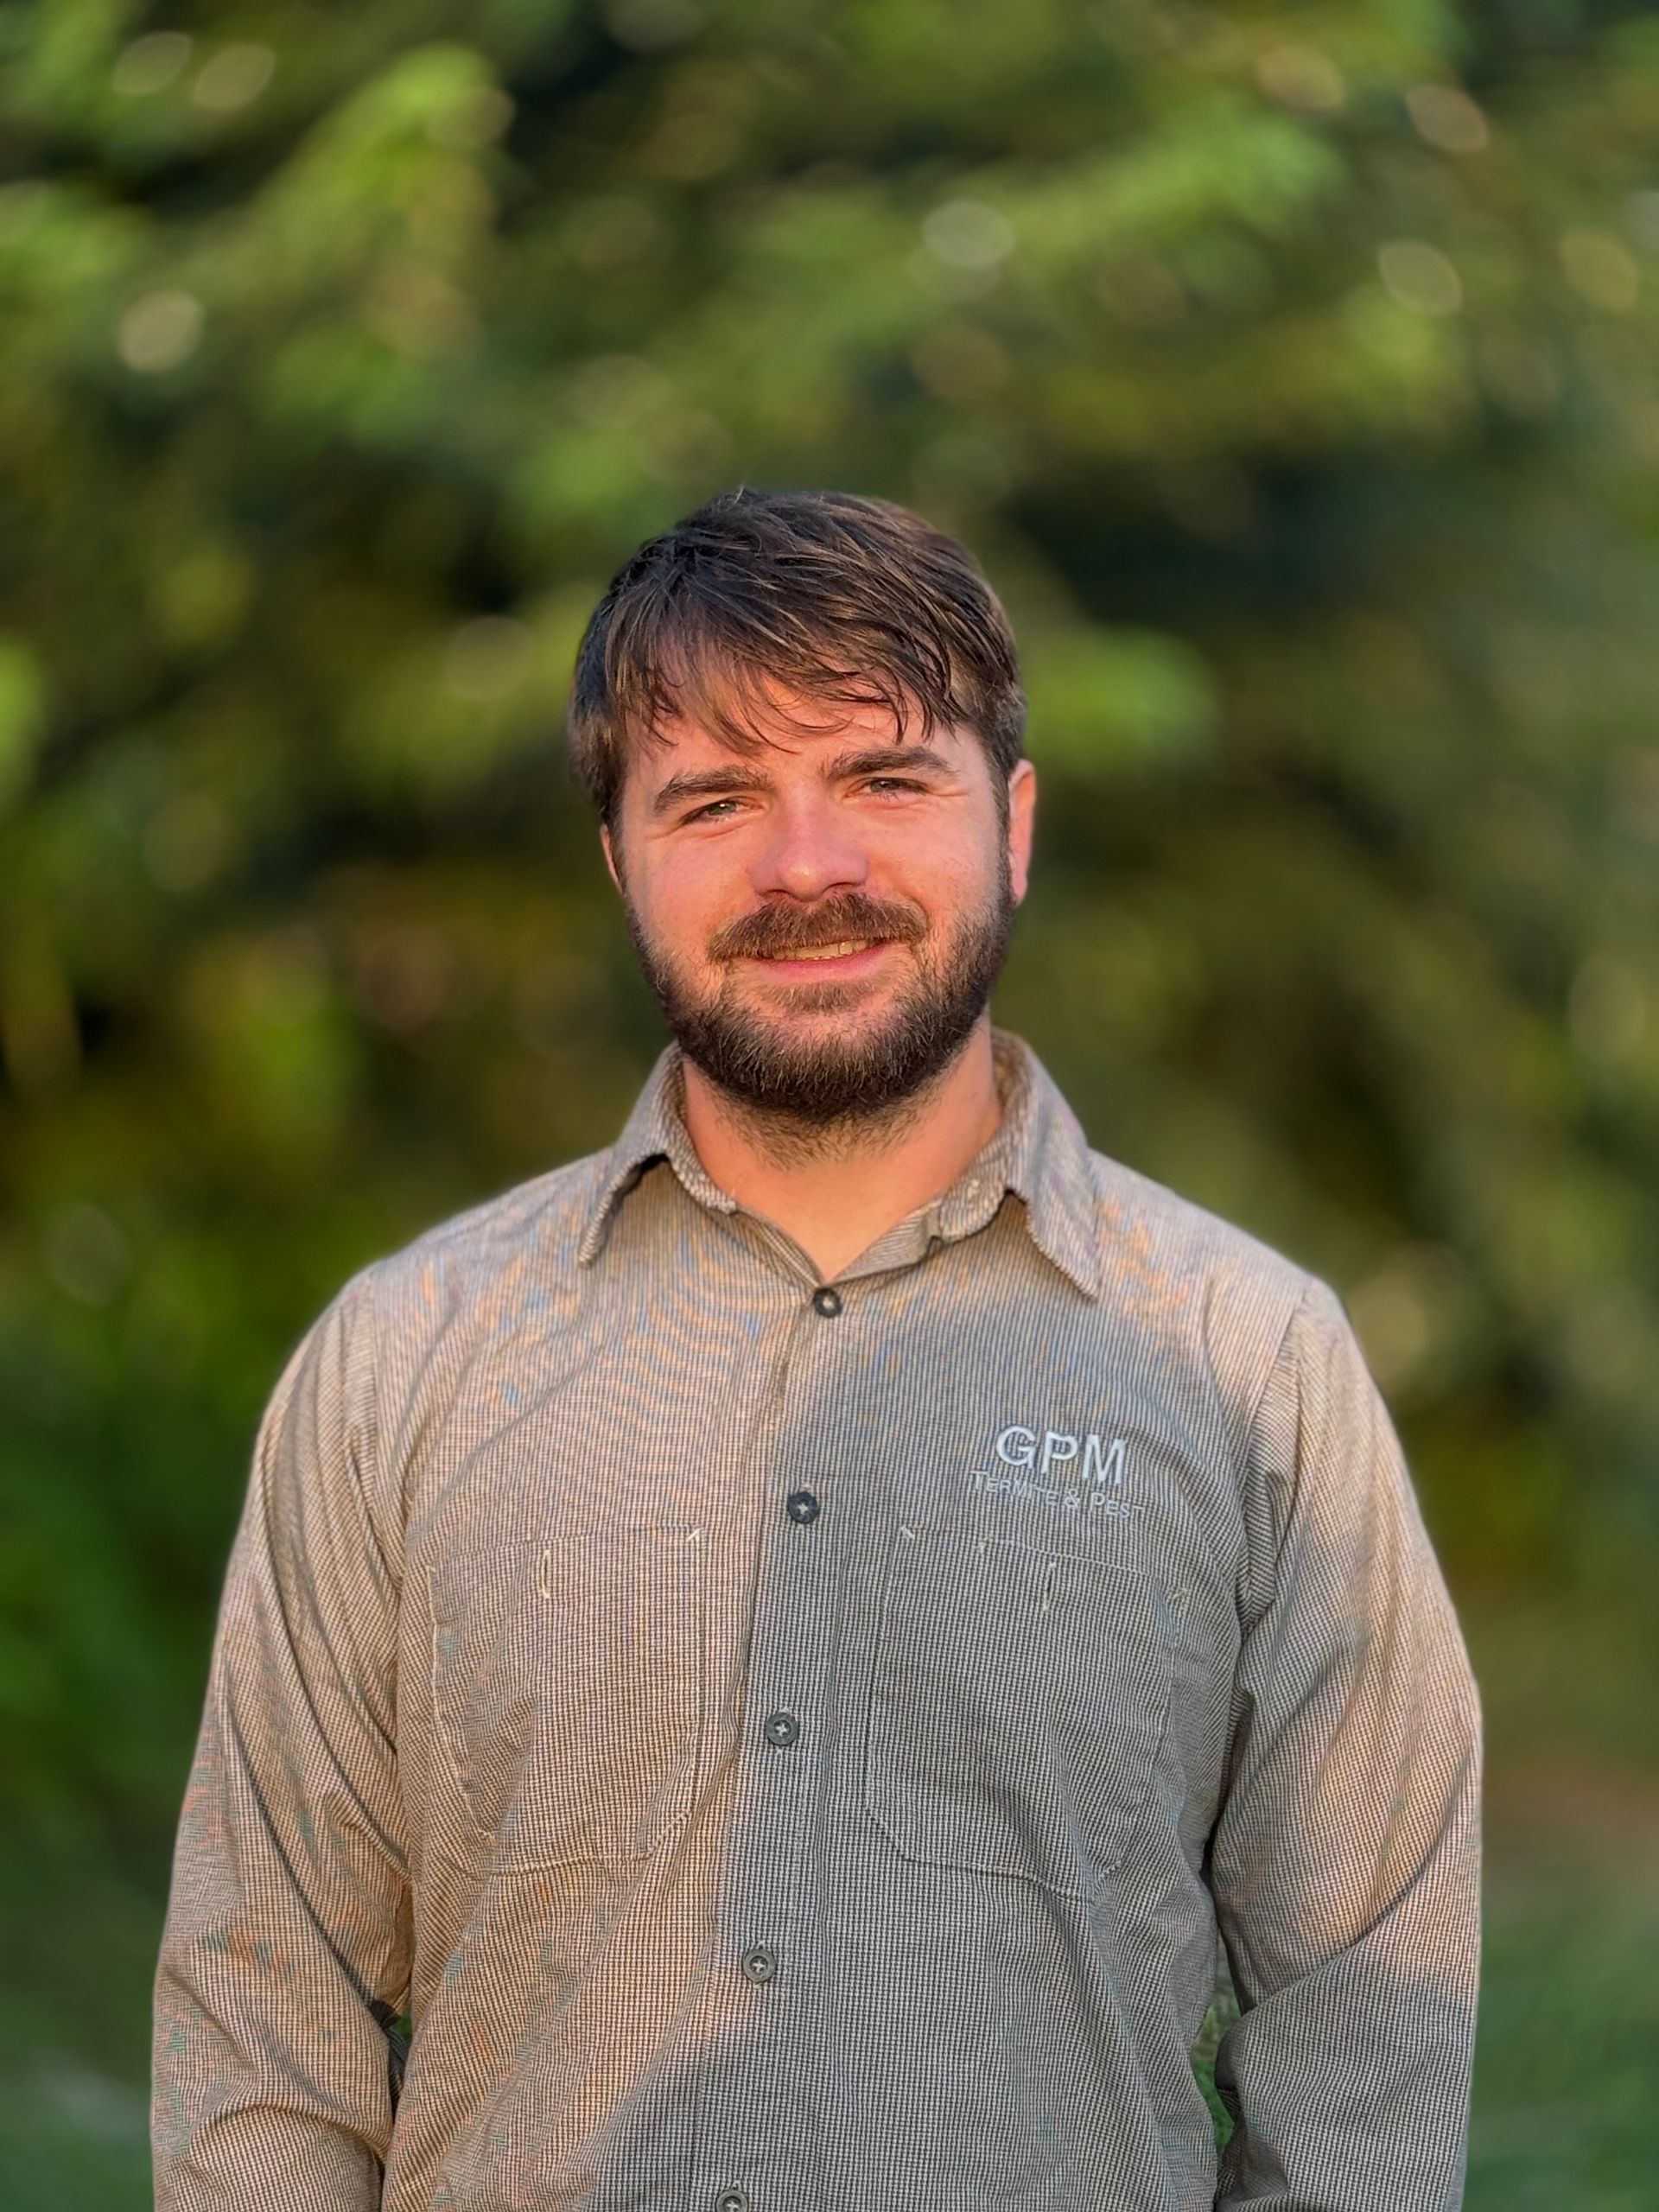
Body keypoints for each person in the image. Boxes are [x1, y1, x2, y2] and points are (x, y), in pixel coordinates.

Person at [152, 487, 1481, 2212]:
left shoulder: (1247, 1361)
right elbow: (266, 2003)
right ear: (621, 857)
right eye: (714, 798)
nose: (808, 867)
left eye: (882, 778)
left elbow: (1366, 2022)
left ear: (1012, 824)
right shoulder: (408, 1356)